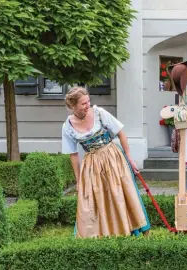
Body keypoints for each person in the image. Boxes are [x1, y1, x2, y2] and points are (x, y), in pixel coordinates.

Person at [61, 87, 151, 238]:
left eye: (88, 101)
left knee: (121, 192)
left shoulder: (99, 113)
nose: (87, 105)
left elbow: (121, 132)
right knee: (96, 198)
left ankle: (132, 228)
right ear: (73, 106)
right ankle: (103, 233)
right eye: (83, 103)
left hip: (112, 157)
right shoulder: (68, 127)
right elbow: (73, 154)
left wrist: (129, 157)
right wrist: (78, 180)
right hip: (92, 164)